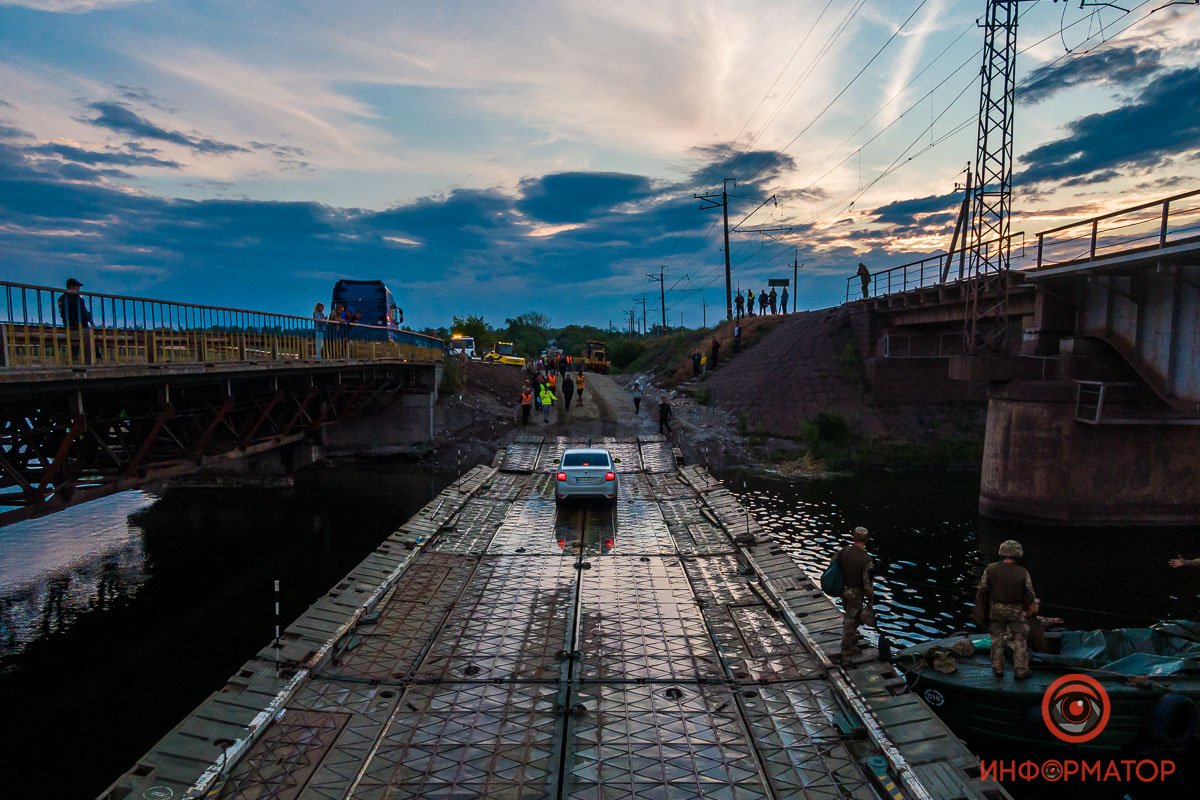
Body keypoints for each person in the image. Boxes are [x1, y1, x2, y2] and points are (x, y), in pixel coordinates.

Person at [977, 539, 1038, 680]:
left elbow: (982, 588)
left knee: (996, 640)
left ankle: (998, 669)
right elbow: (1030, 593)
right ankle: (1021, 671)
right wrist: (1028, 609)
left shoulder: (990, 569)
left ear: (1002, 552)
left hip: (996, 610)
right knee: (1019, 639)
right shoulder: (1022, 572)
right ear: (1018, 553)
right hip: (1015, 612)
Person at [838, 527, 875, 661]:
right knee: (852, 618)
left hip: (843, 589)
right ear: (866, 539)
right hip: (856, 592)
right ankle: (847, 648)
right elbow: (867, 582)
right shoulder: (866, 559)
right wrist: (870, 598)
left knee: (848, 613)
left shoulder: (844, 551)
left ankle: (850, 637)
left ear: (853, 537)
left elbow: (834, 564)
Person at [58, 278, 95, 363]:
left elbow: (84, 311)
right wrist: (73, 322)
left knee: (90, 338)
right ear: (71, 287)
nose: (79, 288)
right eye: (77, 286)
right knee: (76, 340)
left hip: (83, 324)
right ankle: (74, 359)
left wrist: (90, 320)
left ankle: (95, 358)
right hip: (73, 324)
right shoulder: (64, 298)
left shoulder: (78, 297)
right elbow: (64, 313)